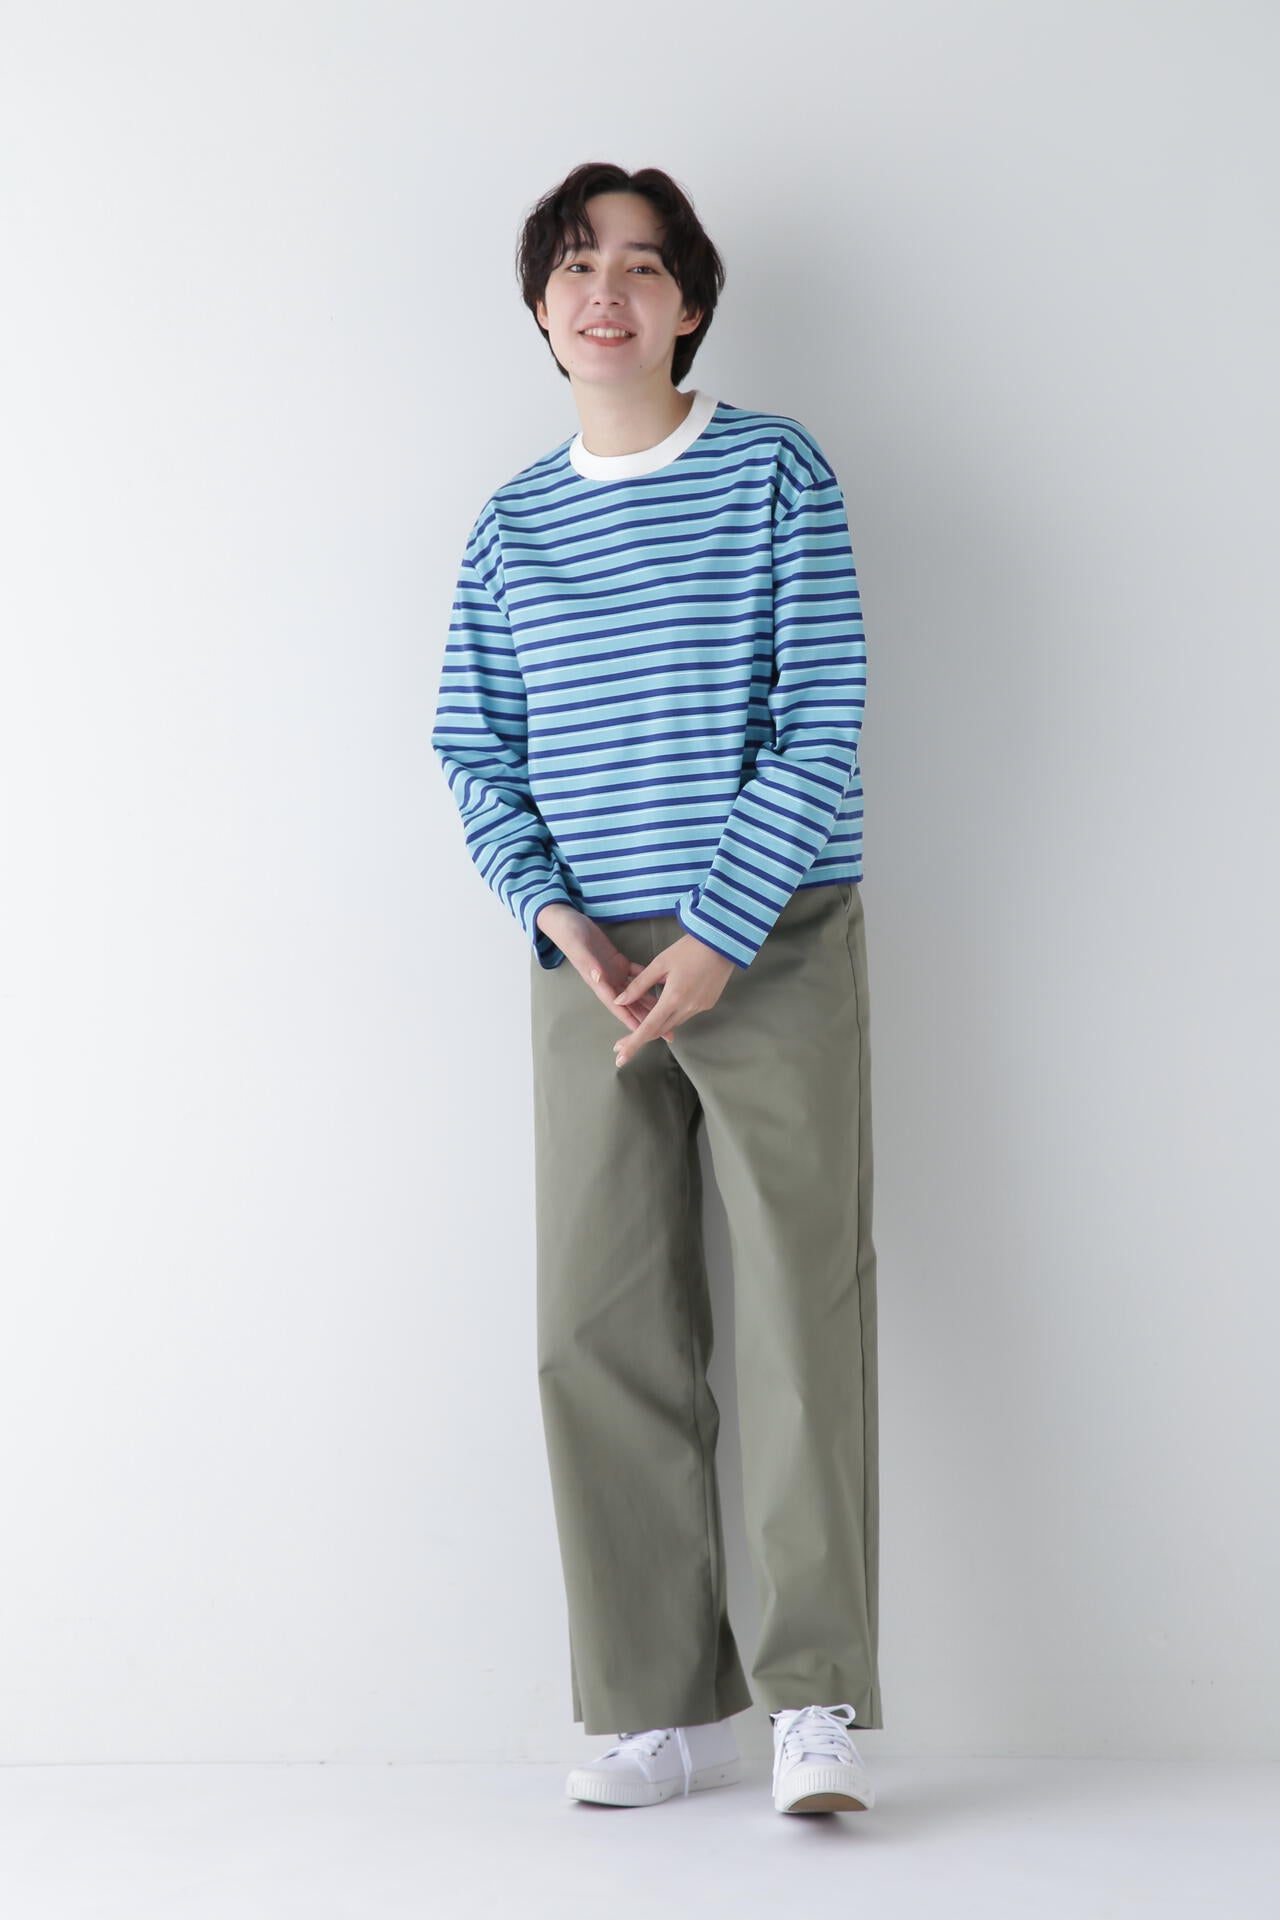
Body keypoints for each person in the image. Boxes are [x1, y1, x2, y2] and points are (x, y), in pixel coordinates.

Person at [431, 161, 881, 1816]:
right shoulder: (511, 526)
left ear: (689, 301)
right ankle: (656, 1707)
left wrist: (716, 933)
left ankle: (816, 1700)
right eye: (573, 265)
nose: (603, 291)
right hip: (592, 971)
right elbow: (474, 750)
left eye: (638, 264)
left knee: (800, 1311)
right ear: (542, 309)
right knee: (595, 1325)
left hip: (771, 941)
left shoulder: (772, 471)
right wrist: (563, 924)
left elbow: (819, 714)